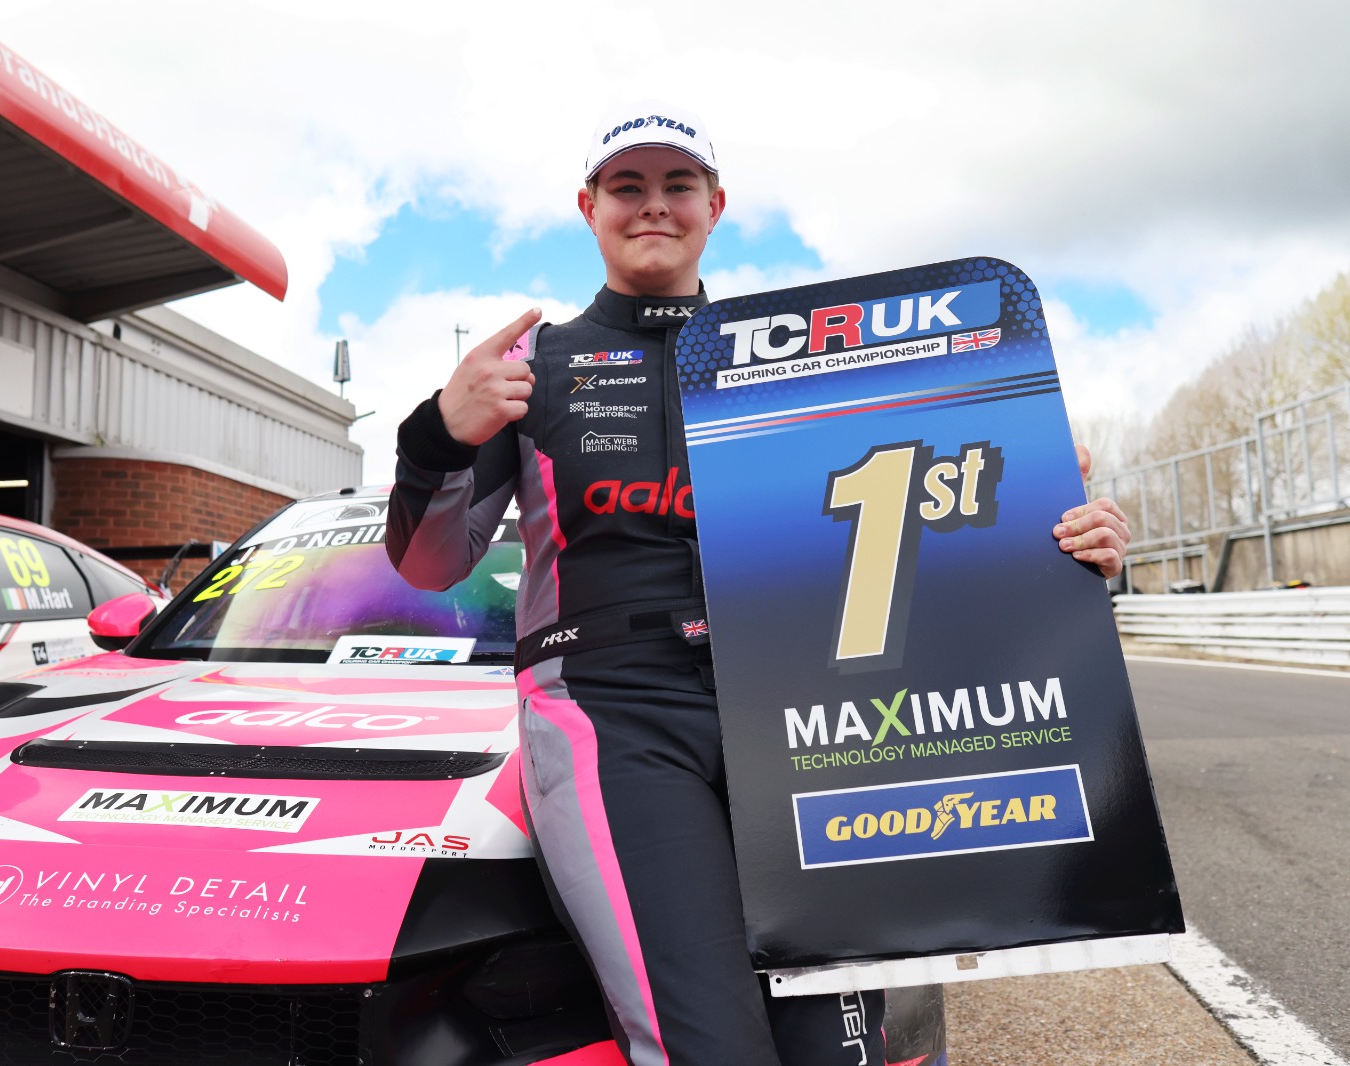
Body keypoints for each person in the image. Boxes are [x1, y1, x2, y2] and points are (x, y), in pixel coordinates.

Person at [387, 102, 1131, 1066]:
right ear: (588, 207)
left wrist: (1057, 542)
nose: (654, 205)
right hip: (610, 711)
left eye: (678, 184)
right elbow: (430, 563)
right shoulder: (534, 363)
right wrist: (438, 433)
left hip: (796, 710)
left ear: (716, 205)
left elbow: (913, 522)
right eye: (627, 186)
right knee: (711, 1043)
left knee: (840, 1045)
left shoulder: (803, 357)